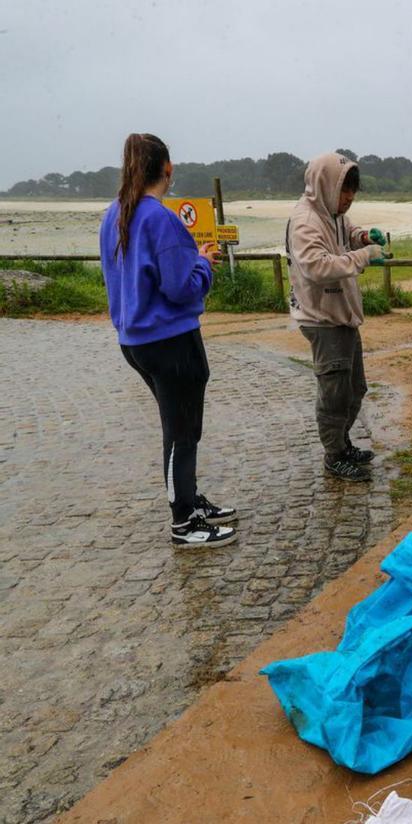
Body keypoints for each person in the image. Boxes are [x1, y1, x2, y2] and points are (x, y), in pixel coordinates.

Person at [99, 133, 237, 548]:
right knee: (182, 430)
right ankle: (184, 522)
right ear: (167, 169)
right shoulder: (160, 218)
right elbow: (181, 288)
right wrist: (204, 263)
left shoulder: (114, 214)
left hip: (136, 340)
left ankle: (190, 499)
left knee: (177, 425)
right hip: (170, 340)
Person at [287, 152, 388, 482]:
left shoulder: (331, 212)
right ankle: (334, 454)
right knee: (334, 391)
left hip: (342, 315)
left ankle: (343, 444)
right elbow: (317, 267)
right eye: (345, 192)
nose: (348, 200)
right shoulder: (305, 221)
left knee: (354, 387)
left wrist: (361, 237)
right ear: (326, 185)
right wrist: (363, 256)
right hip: (322, 318)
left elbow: (346, 229)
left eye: (353, 194)